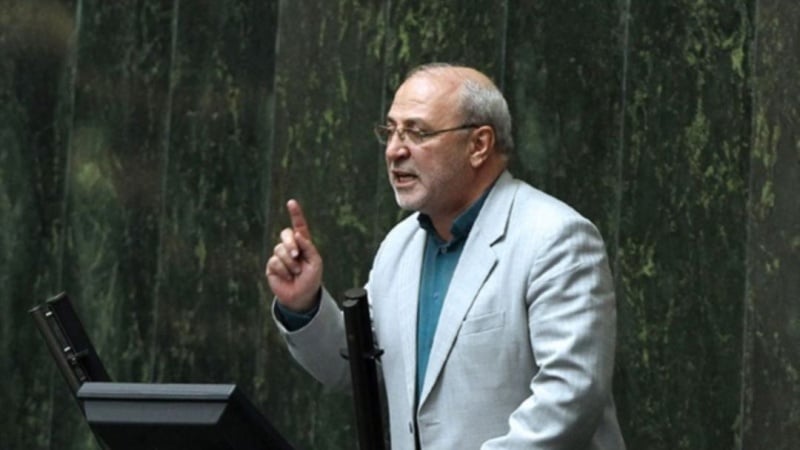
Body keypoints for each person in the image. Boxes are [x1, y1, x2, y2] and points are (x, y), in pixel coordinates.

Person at [265, 62, 626, 450]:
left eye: (417, 132)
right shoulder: (399, 246)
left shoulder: (555, 237)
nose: (394, 150)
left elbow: (570, 396)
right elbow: (354, 370)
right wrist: (304, 305)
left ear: (479, 145)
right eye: (391, 131)